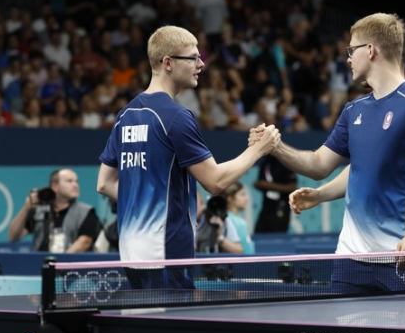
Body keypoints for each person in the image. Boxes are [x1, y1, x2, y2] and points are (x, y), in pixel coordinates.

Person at [250, 13, 405, 294]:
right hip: (350, 261)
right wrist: (277, 149)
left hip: (404, 259)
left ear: (371, 50)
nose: (347, 58)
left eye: (352, 50)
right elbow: (319, 164)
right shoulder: (354, 110)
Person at [96, 25, 279, 289]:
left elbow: (104, 183)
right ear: (168, 63)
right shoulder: (176, 116)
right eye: (193, 57)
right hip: (167, 254)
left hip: (132, 253)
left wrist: (149, 204)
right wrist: (259, 150)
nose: (201, 64)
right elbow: (215, 182)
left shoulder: (125, 115)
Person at [8, 168, 102, 253]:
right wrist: (27, 207)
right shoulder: (39, 210)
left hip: (69, 267)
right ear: (55, 186)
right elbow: (13, 236)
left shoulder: (86, 212)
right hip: (39, 266)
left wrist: (60, 263)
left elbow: (84, 242)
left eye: (76, 181)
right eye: (69, 181)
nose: (75, 185)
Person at [222, 182, 255, 254]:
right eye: (242, 194)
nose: (247, 198)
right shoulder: (229, 220)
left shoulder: (236, 220)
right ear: (230, 198)